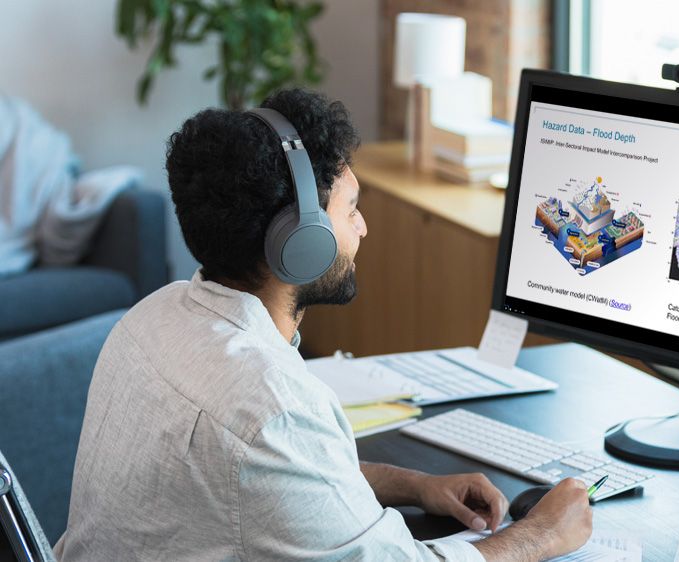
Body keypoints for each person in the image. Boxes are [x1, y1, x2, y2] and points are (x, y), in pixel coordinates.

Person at [54, 89, 592, 561]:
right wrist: (541, 535)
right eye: (350, 208)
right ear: (299, 241)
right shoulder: (271, 411)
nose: (363, 226)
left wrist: (414, 485)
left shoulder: (151, 317)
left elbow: (275, 488)